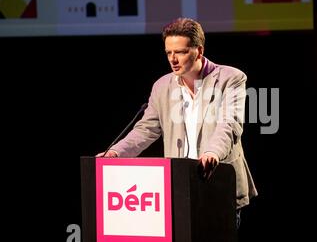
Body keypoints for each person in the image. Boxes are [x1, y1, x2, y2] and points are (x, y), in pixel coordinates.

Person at [97, 17, 257, 215]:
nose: (173, 59)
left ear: (199, 51)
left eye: (180, 52)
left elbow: (229, 124)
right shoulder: (162, 86)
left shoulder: (230, 78)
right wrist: (116, 153)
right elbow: (145, 130)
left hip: (218, 184)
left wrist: (212, 152)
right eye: (169, 53)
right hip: (179, 187)